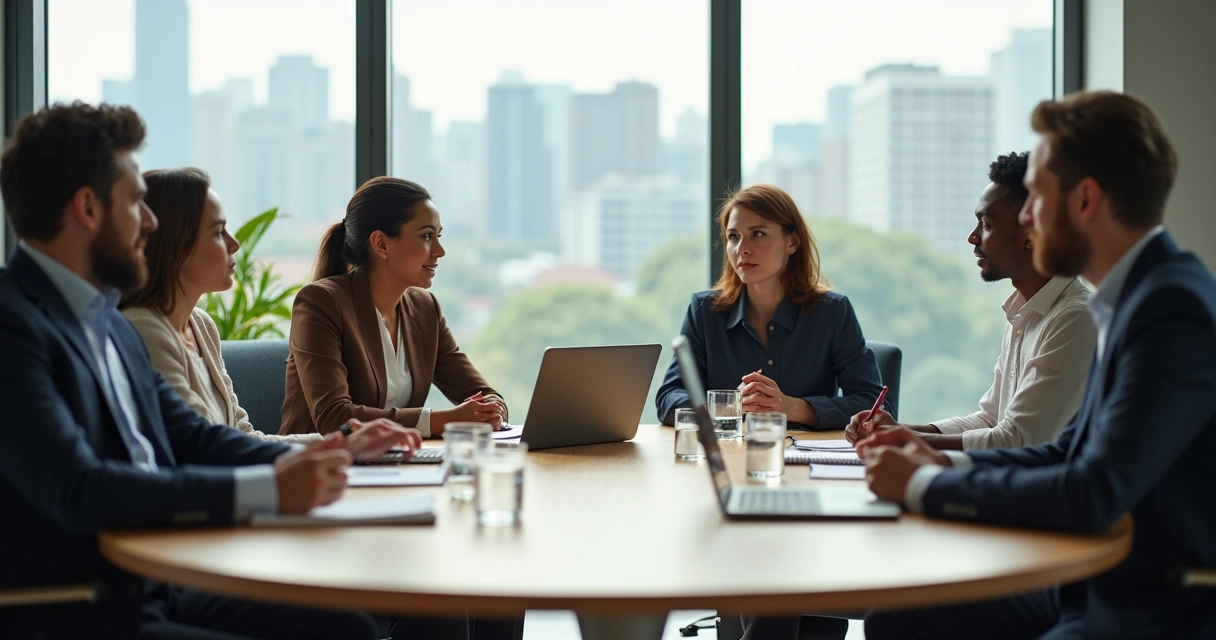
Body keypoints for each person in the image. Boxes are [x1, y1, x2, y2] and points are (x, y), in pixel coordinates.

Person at [0, 102, 421, 639]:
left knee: (346, 629)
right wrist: (266, 490)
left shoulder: (106, 321)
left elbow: (195, 436)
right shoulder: (12, 324)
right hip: (85, 606)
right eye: (135, 202)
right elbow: (80, 487)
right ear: (87, 208)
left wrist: (332, 449)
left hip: (164, 580)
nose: (149, 222)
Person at [859, 91, 1216, 638]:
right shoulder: (1135, 298)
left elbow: (1091, 491)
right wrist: (932, 459)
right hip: (1094, 581)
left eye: (1035, 198)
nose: (1027, 217)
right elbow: (1066, 451)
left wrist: (924, 485)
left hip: (1149, 606)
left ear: (1085, 200)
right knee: (896, 618)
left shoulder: (1170, 308)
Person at [845, 152, 1096, 451]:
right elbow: (991, 420)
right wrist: (896, 429)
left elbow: (1016, 439)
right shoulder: (1022, 312)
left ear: (1030, 234)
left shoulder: (1075, 319)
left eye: (986, 224)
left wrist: (906, 440)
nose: (972, 237)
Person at [279, 176, 507, 438]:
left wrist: (492, 409)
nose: (440, 250)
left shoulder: (425, 308)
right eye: (427, 236)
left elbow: (480, 391)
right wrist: (444, 420)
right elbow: (335, 418)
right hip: (321, 467)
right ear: (382, 244)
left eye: (438, 236)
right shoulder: (321, 302)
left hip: (396, 464)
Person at [655, 183, 887, 431]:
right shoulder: (704, 312)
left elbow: (875, 407)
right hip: (728, 456)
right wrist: (727, 406)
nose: (742, 248)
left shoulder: (833, 312)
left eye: (758, 234)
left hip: (809, 460)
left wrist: (792, 407)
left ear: (793, 242)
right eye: (734, 236)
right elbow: (669, 398)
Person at [121, 167, 320, 444]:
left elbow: (242, 437)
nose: (234, 244)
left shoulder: (201, 325)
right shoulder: (143, 330)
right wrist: (340, 447)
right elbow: (206, 447)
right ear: (175, 246)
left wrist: (344, 444)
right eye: (218, 232)